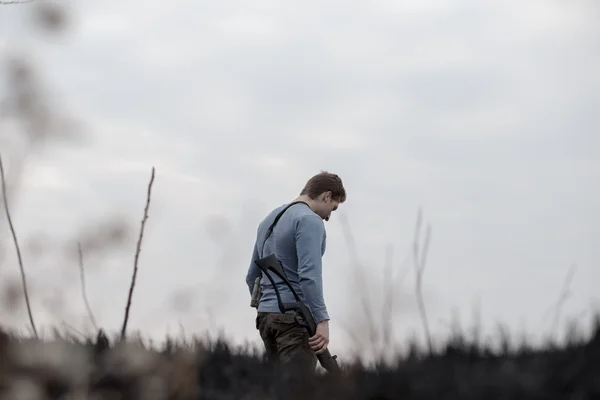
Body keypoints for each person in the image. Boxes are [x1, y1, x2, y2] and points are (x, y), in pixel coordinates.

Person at [245, 171, 346, 371]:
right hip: (295, 321)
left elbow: (252, 276)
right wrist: (322, 320)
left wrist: (267, 308)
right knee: (298, 390)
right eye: (332, 209)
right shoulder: (309, 220)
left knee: (277, 389)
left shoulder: (268, 220)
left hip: (266, 318)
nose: (327, 217)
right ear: (326, 196)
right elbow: (309, 276)